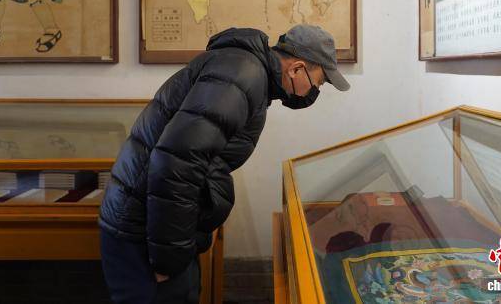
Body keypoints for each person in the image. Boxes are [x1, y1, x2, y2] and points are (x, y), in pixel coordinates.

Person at [99, 25, 350, 304]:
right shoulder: (243, 75)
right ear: (296, 69)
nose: (315, 91)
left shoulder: (245, 71)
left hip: (156, 224)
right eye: (318, 82)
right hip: (144, 230)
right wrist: (167, 260)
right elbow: (175, 163)